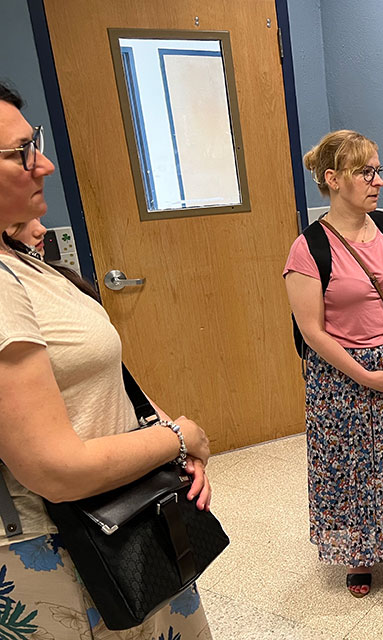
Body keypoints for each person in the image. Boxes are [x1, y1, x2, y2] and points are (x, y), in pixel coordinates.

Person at [0, 81, 214, 639]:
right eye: (20, 151)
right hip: (65, 551)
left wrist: (165, 444)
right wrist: (179, 437)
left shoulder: (23, 262)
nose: (42, 163)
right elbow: (55, 467)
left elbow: (102, 381)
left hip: (125, 518)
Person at [283, 130, 383, 598]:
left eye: (378, 170)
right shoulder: (308, 248)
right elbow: (312, 331)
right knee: (352, 468)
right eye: (364, 172)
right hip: (341, 376)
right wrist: (364, 374)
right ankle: (359, 554)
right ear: (332, 179)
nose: (378, 182)